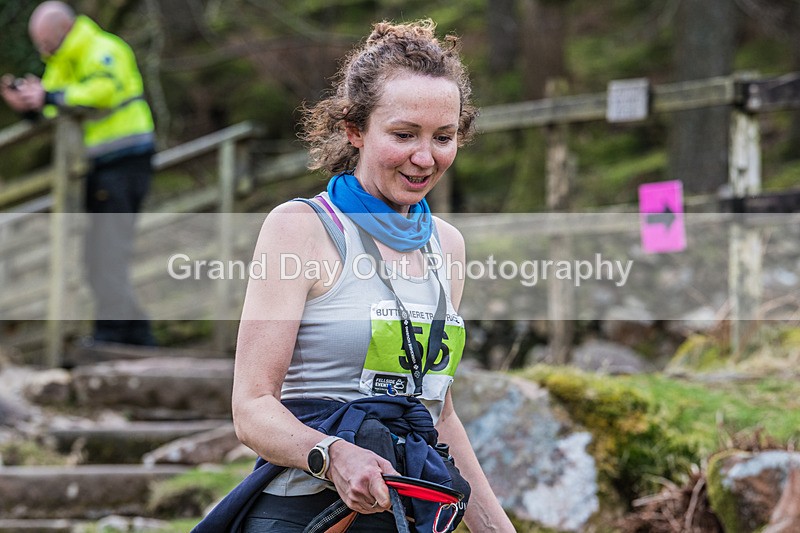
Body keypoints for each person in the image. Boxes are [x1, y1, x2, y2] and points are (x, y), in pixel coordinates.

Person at [221, 19, 516, 533]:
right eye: (404, 135)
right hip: (303, 513)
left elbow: (440, 417)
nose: (424, 158)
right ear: (354, 130)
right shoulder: (301, 230)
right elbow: (251, 409)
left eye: (443, 137)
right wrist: (332, 455)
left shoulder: (448, 246)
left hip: (406, 516)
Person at [0, 1, 157, 347]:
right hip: (98, 167)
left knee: (107, 253)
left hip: (124, 161)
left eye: (44, 41)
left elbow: (102, 93)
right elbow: (54, 107)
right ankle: (135, 337)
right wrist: (29, 106)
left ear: (62, 30)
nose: (42, 50)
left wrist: (49, 95)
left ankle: (115, 336)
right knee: (98, 254)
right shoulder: (62, 61)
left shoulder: (104, 48)